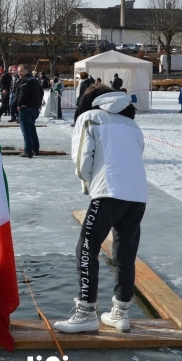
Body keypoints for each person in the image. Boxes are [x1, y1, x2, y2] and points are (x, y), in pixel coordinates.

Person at [54, 86, 146, 334]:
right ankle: (120, 313)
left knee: (86, 249)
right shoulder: (131, 124)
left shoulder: (89, 118)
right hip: (137, 195)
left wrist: (88, 185)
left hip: (108, 191)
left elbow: (82, 159)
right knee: (124, 255)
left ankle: (85, 312)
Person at [15, 64, 42, 158]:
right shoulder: (34, 79)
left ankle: (28, 151)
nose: (19, 73)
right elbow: (41, 92)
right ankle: (36, 149)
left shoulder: (25, 80)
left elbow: (23, 93)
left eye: (21, 71)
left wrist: (18, 104)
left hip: (26, 108)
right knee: (32, 129)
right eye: (18, 71)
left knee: (26, 131)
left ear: (27, 70)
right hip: (34, 108)